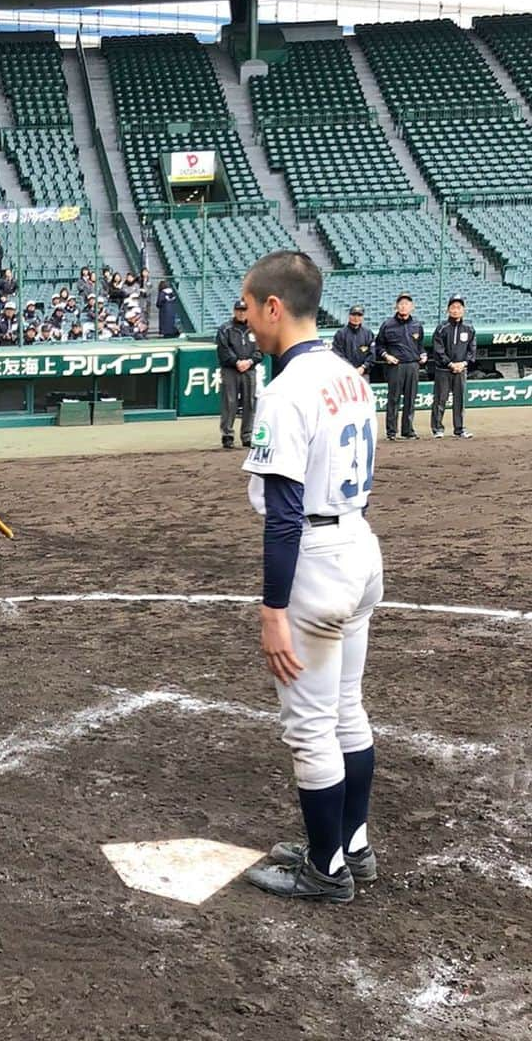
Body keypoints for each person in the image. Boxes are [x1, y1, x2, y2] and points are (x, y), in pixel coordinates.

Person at [239, 250, 383, 904]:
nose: (245, 320)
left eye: (248, 306)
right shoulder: (347, 374)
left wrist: (273, 610)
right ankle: (351, 843)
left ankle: (325, 870)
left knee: (309, 726)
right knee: (345, 709)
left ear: (275, 306)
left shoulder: (287, 388)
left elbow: (283, 515)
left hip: (317, 562)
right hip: (357, 543)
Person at [374, 291, 426, 441]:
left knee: (410, 399)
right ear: (396, 306)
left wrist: (423, 354)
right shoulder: (387, 325)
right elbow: (379, 346)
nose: (403, 307)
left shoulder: (417, 325)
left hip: (413, 366)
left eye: (407, 304)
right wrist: (386, 356)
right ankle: (391, 432)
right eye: (401, 304)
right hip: (395, 366)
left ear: (412, 307)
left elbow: (420, 345)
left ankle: (408, 430)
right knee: (394, 399)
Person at [216, 298, 263, 449]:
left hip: (249, 369)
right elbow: (223, 350)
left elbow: (261, 349)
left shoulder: (256, 328)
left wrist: (250, 361)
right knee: (230, 402)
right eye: (239, 310)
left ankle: (247, 435)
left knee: (249, 402)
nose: (241, 313)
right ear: (234, 311)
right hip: (230, 369)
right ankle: (227, 435)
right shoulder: (226, 328)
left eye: (244, 310)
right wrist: (236, 362)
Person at [431, 294, 476, 439]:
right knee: (440, 400)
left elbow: (472, 350)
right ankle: (437, 428)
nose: (455, 310)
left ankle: (460, 428)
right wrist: (450, 364)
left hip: (461, 370)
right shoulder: (441, 328)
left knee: (460, 401)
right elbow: (438, 350)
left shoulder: (469, 328)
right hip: (443, 370)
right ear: (448, 310)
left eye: (458, 307)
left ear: (463, 310)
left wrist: (463, 364)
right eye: (453, 307)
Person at [331, 306, 374, 377]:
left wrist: (364, 367)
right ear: (349, 316)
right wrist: (349, 367)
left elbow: (372, 353)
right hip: (345, 373)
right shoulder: (340, 333)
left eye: (359, 315)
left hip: (363, 373)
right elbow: (337, 353)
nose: (356, 318)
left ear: (363, 317)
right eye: (353, 315)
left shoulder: (368, 333)